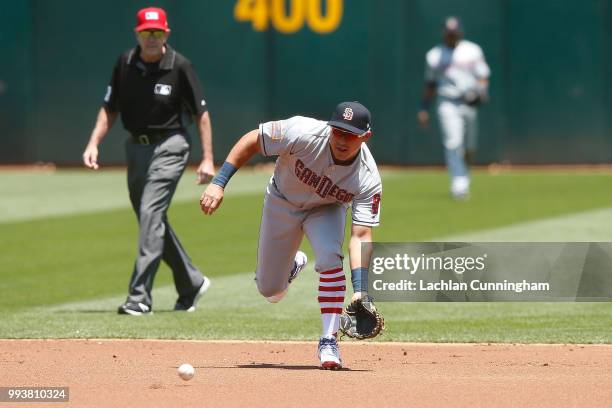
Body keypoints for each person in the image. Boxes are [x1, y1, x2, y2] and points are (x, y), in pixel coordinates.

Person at [200, 102, 382, 369]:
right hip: (281, 201)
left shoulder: (368, 177)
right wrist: (219, 182)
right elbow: (253, 139)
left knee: (331, 258)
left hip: (326, 209)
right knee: (270, 290)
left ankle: (329, 341)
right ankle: (293, 264)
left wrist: (361, 289)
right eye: (338, 131)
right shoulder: (302, 132)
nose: (342, 139)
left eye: (351, 134)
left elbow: (362, 234)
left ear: (366, 136)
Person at [82, 7, 214, 316]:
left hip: (171, 145)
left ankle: (139, 296)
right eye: (146, 32)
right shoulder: (125, 63)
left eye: (156, 32)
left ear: (166, 33)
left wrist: (207, 158)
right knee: (150, 220)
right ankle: (191, 282)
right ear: (137, 34)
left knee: (151, 213)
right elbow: (109, 107)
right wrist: (93, 143)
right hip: (136, 150)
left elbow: (201, 113)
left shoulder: (180, 66)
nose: (151, 38)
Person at [417, 16, 490, 200]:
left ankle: (464, 176)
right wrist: (424, 107)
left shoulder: (472, 50)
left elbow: (482, 76)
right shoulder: (434, 55)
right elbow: (431, 84)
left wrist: (481, 91)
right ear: (444, 33)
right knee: (452, 142)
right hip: (447, 101)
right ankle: (459, 184)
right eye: (449, 33)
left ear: (460, 32)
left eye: (454, 33)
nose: (451, 36)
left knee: (469, 148)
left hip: (469, 101)